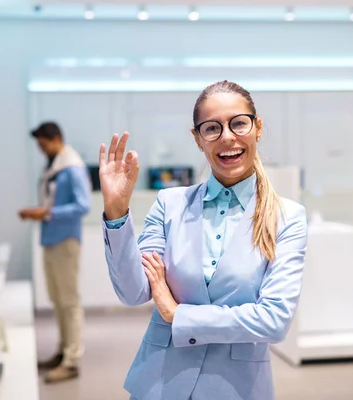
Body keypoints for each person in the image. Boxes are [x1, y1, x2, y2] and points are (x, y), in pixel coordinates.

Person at [98, 80, 308, 400]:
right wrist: (116, 211)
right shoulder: (170, 204)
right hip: (159, 384)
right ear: (197, 139)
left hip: (236, 388)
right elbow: (134, 291)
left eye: (238, 123)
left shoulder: (287, 217)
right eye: (212, 128)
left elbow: (274, 320)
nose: (227, 137)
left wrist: (177, 314)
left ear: (257, 127)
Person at [19, 122, 91, 383]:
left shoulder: (72, 167)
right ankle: (63, 351)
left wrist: (46, 213)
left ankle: (72, 361)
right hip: (51, 238)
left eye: (43, 144)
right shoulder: (54, 166)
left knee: (69, 301)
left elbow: (84, 206)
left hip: (66, 240)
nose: (41, 150)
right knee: (58, 299)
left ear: (57, 139)